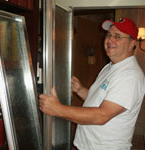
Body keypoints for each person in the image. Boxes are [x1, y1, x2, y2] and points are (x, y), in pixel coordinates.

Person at [39, 17, 145, 150]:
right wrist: (81, 90)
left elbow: (102, 115)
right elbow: (101, 100)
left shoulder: (130, 76)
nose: (110, 40)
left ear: (132, 44)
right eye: (109, 35)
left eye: (117, 36)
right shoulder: (110, 67)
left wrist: (57, 109)